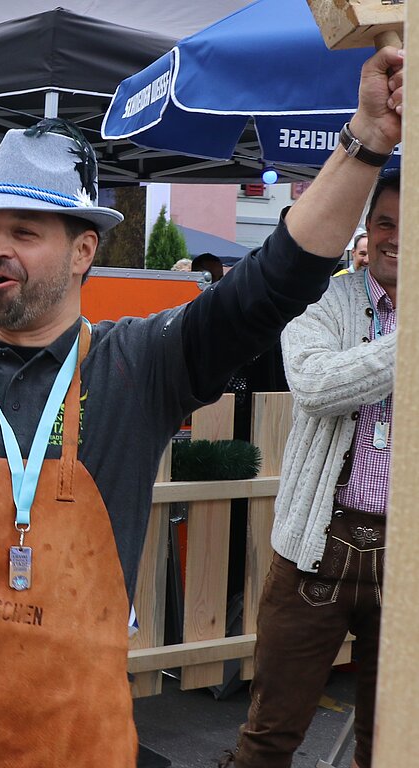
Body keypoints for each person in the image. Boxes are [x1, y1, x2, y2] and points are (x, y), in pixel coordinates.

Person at [0, 46, 403, 768]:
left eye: (23, 232)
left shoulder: (139, 366)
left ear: (83, 250)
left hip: (62, 744)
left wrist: (364, 141)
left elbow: (276, 279)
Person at [219, 173, 400, 768]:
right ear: (367, 233)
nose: (396, 238)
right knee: (269, 737)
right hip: (315, 550)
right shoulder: (322, 299)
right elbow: (318, 387)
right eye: (385, 223)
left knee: (392, 746)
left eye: (409, 225)